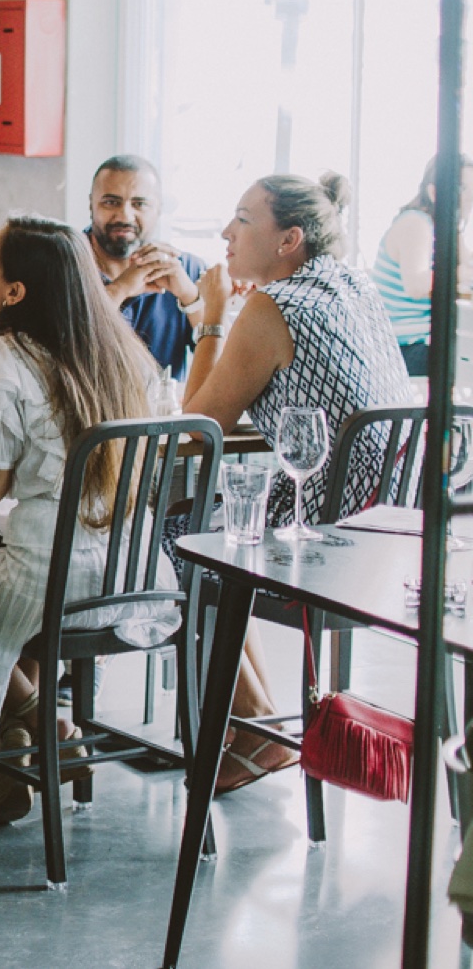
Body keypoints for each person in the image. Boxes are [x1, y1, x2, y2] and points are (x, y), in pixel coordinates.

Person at [180, 172, 412, 792]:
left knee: (177, 529)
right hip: (389, 529)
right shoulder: (355, 285)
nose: (226, 233)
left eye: (243, 219)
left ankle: (254, 721)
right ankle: (247, 719)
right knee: (213, 522)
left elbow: (196, 427)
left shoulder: (272, 306)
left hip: (324, 539)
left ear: (290, 239)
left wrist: (210, 319)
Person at [0, 216, 179, 825]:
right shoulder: (122, 356)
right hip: (132, 581)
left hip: (47, 585)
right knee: (5, 562)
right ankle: (26, 732)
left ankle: (35, 716)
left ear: (15, 292)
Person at [86, 156, 206, 379]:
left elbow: (224, 362)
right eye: (111, 202)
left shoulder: (189, 269)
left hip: (161, 412)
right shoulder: (59, 265)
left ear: (159, 209)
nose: (124, 216)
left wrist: (191, 298)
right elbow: (51, 350)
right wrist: (119, 289)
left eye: (139, 204)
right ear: (91, 204)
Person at [370, 155, 473, 376]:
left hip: (419, 344)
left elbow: (468, 267)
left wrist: (456, 226)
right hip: (401, 348)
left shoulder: (441, 226)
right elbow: (416, 285)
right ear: (434, 192)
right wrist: (463, 272)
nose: (468, 197)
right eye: (462, 188)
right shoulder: (415, 223)